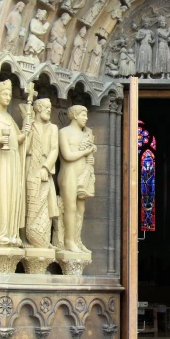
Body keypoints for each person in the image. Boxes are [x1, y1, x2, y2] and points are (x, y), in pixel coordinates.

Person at [0, 80, 29, 248]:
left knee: (13, 196)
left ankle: (11, 232)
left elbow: (18, 140)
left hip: (14, 162)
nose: (8, 97)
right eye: (5, 94)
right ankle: (0, 233)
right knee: (2, 196)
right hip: (1, 163)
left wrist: (25, 129)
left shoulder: (9, 118)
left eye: (10, 94)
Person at [58, 105, 97, 255]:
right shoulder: (64, 132)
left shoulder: (86, 135)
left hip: (83, 175)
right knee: (70, 207)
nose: (86, 118)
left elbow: (89, 158)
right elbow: (67, 155)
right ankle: (68, 241)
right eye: (83, 115)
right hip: (69, 173)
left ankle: (77, 240)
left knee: (81, 209)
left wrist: (90, 158)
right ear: (74, 115)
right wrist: (86, 151)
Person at [24, 98, 59, 249]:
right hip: (30, 167)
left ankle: (43, 241)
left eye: (50, 108)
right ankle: (25, 238)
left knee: (44, 205)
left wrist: (46, 167)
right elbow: (24, 150)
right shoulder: (29, 125)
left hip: (45, 170)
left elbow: (54, 149)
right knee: (27, 203)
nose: (49, 110)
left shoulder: (53, 128)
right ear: (37, 109)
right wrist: (26, 133)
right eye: (46, 107)